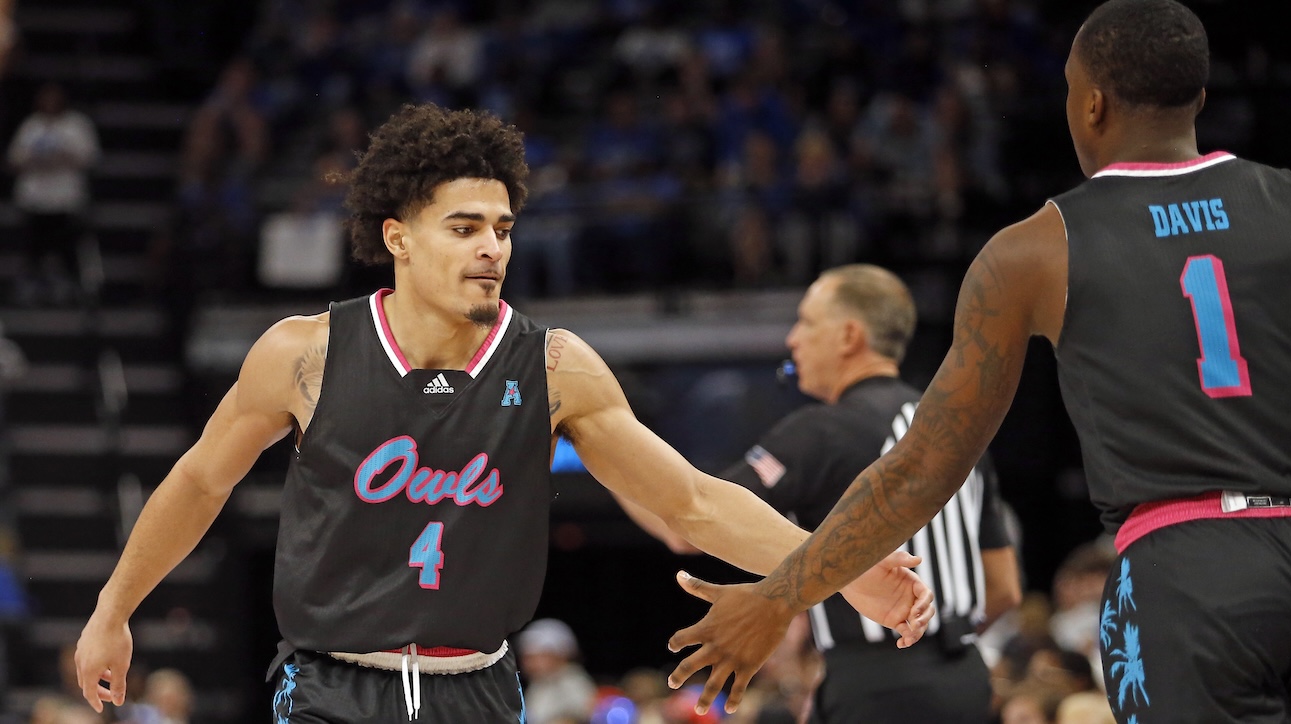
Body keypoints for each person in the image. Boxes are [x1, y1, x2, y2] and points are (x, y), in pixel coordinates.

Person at [73, 103, 934, 722]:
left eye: (503, 227)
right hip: (331, 685)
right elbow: (200, 483)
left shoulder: (555, 365)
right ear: (398, 237)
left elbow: (693, 503)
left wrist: (844, 567)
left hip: (480, 688)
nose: (492, 247)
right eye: (464, 228)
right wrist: (114, 609)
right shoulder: (306, 353)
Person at [665, 1, 1291, 722]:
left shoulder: (1036, 249)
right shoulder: (1287, 201)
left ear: (1091, 104)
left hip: (1186, 572)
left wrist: (779, 596)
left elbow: (922, 468)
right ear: (1200, 99)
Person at [716, 264, 1022, 723]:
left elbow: (694, 518)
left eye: (806, 322)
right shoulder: (958, 431)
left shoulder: (819, 432)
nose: (793, 339)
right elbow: (1005, 589)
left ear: (849, 336)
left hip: (874, 681)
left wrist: (611, 446)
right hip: (966, 677)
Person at [5, 82, 100, 305]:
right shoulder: (31, 125)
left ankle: (74, 288)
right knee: (34, 250)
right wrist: (38, 158)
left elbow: (90, 158)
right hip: (35, 200)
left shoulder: (76, 124)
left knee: (67, 248)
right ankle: (32, 288)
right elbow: (13, 160)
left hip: (66, 200)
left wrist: (61, 156)